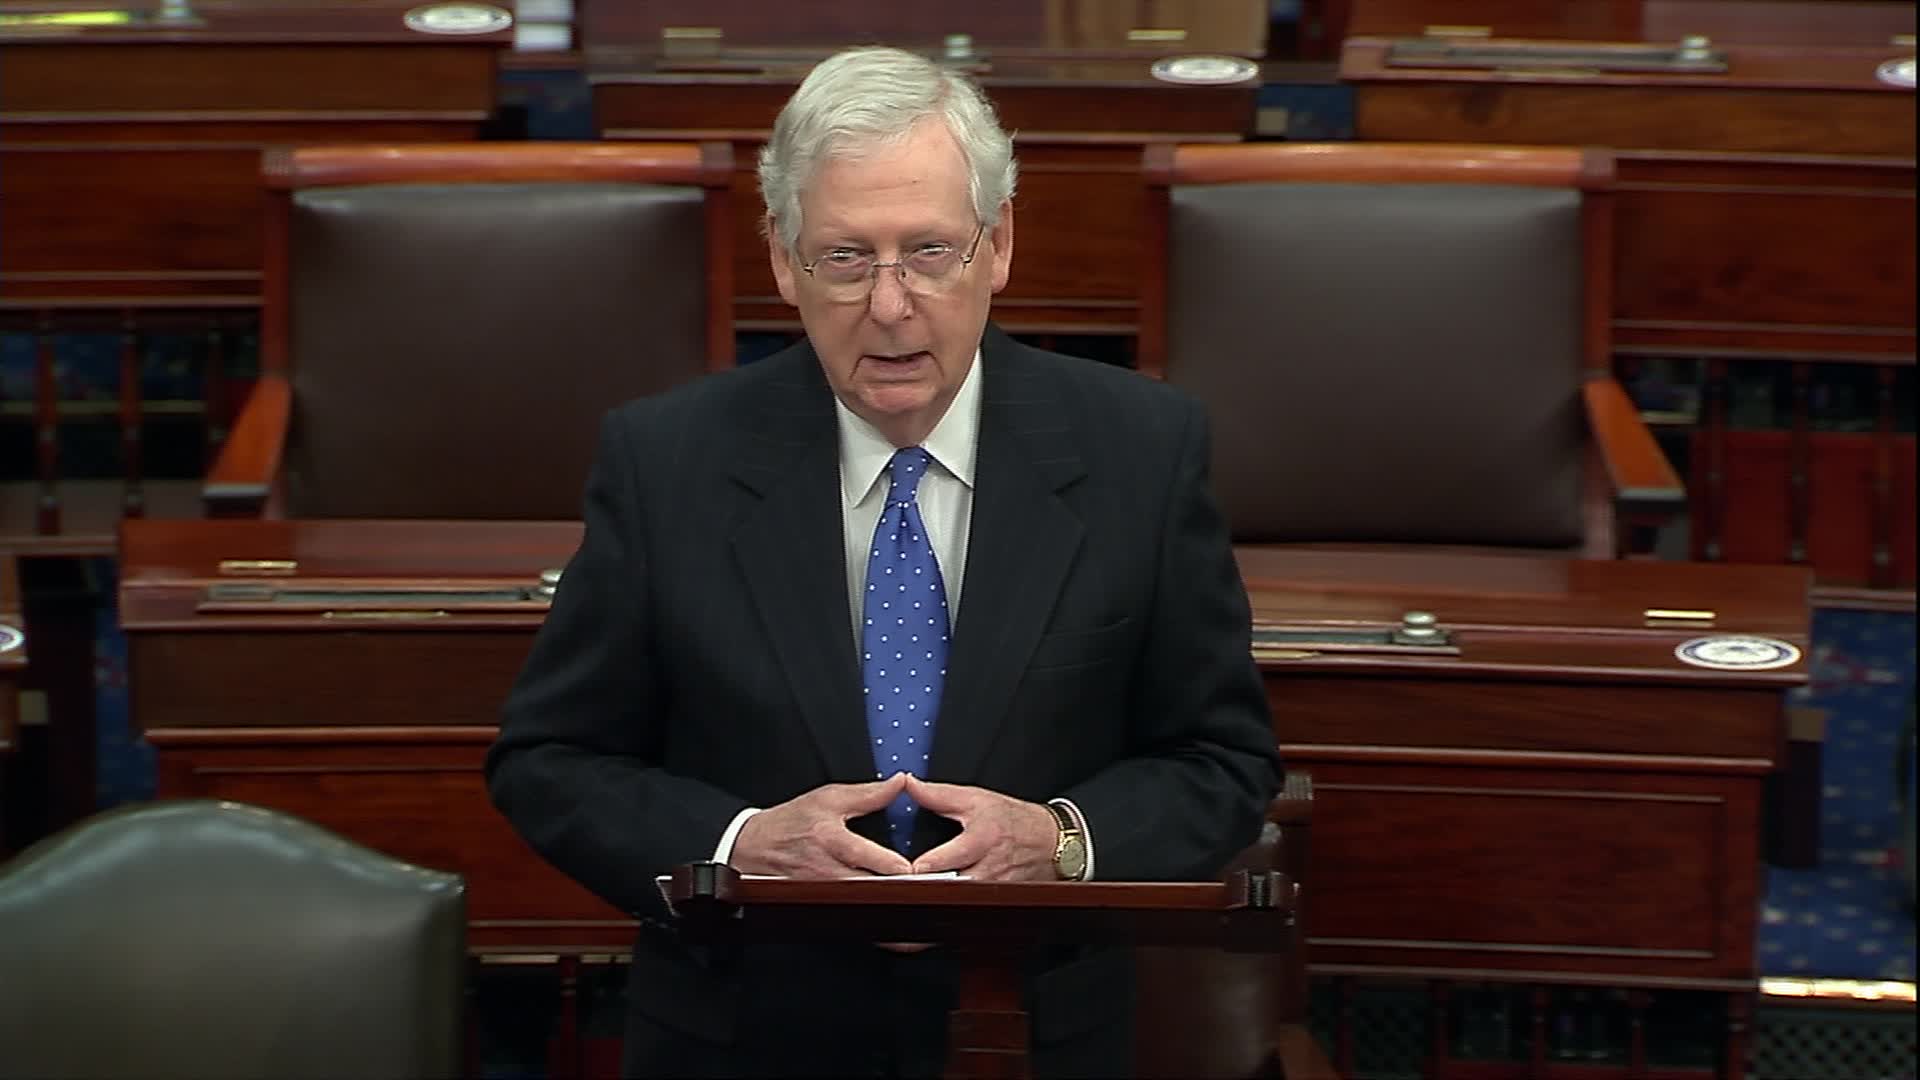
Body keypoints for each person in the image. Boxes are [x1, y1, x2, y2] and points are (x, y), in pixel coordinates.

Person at [486, 45, 1281, 1079]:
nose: (892, 306)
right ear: (782, 258)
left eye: (931, 252)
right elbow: (549, 760)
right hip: (744, 1034)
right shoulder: (666, 461)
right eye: (847, 258)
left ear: (997, 246)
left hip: (1038, 1036)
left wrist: (1066, 840)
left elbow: (1222, 760)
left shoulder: (1141, 451)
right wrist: (740, 844)